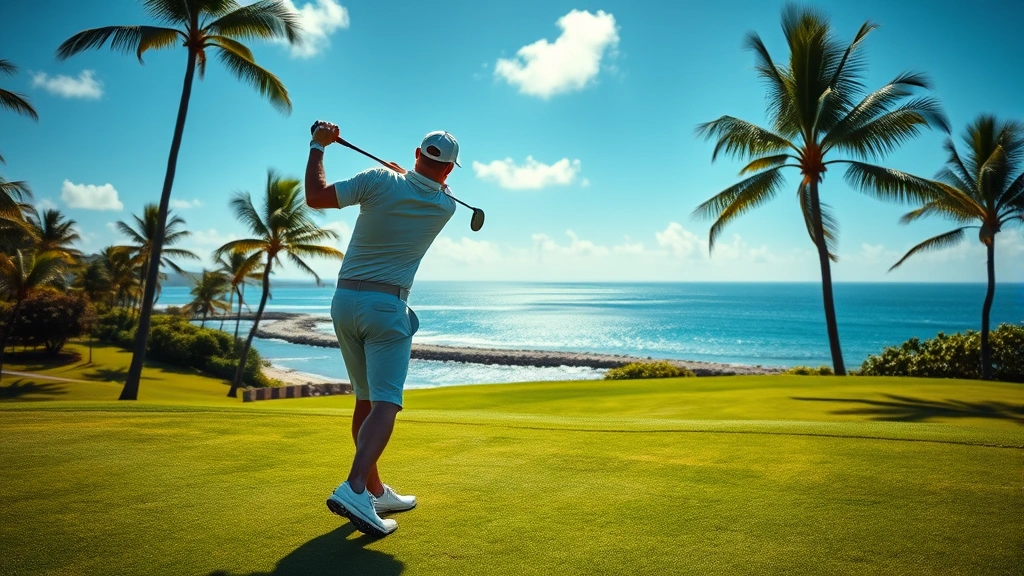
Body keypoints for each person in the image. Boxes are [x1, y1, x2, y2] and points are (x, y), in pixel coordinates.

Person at [304, 121, 459, 536]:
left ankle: (375, 489)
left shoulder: (377, 179)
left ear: (415, 154)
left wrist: (319, 147)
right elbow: (430, 189)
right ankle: (354, 488)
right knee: (387, 403)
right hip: (386, 307)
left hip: (344, 303)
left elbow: (316, 197)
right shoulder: (447, 207)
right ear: (450, 171)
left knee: (365, 401)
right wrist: (409, 178)